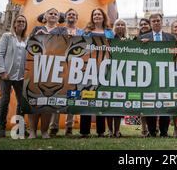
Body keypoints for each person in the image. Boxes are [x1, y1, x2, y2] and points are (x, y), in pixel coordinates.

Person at [29, 8, 67, 139]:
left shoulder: (62, 30)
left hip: (54, 68)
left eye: (56, 14)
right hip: (37, 67)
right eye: (50, 13)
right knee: (34, 100)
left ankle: (44, 131)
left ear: (58, 18)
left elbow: (65, 45)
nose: (53, 15)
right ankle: (32, 131)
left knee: (49, 102)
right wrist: (35, 36)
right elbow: (30, 45)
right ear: (45, 16)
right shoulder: (36, 29)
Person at [139, 13, 176, 137]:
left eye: (158, 20)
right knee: (150, 103)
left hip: (166, 74)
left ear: (162, 22)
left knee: (166, 102)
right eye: (153, 21)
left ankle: (164, 131)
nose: (156, 23)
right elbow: (136, 55)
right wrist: (141, 45)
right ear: (150, 23)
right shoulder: (143, 38)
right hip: (149, 75)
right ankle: (152, 131)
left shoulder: (170, 38)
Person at [79, 8, 114, 137]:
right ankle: (84, 131)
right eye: (94, 14)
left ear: (103, 17)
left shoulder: (110, 33)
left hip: (104, 68)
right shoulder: (86, 32)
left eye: (99, 14)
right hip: (88, 68)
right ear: (92, 17)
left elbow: (115, 47)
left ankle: (101, 131)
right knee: (87, 97)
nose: (97, 16)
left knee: (101, 97)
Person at [49, 8, 84, 137]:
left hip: (75, 67)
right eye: (70, 14)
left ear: (77, 18)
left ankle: (69, 127)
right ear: (66, 16)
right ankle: (54, 127)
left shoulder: (81, 32)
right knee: (57, 95)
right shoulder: (58, 30)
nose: (72, 16)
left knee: (72, 97)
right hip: (60, 66)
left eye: (74, 15)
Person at [0, 15, 28, 138]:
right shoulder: (7, 36)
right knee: (5, 100)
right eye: (19, 21)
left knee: (22, 102)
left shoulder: (26, 40)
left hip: (20, 76)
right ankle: (1, 128)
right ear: (14, 24)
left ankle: (20, 129)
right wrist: (2, 71)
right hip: (6, 75)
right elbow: (0, 53)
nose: (21, 23)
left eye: (23, 22)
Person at [105, 18, 129, 138]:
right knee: (109, 104)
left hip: (122, 75)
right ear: (115, 26)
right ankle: (110, 130)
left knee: (119, 104)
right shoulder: (109, 39)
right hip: (109, 73)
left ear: (125, 27)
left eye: (122, 25)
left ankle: (117, 130)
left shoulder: (129, 40)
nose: (120, 26)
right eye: (118, 24)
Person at [134, 18, 151, 137]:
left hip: (154, 71)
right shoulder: (135, 39)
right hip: (140, 73)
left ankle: (153, 129)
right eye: (141, 24)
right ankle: (144, 129)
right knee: (142, 103)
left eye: (146, 24)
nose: (144, 26)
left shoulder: (155, 38)